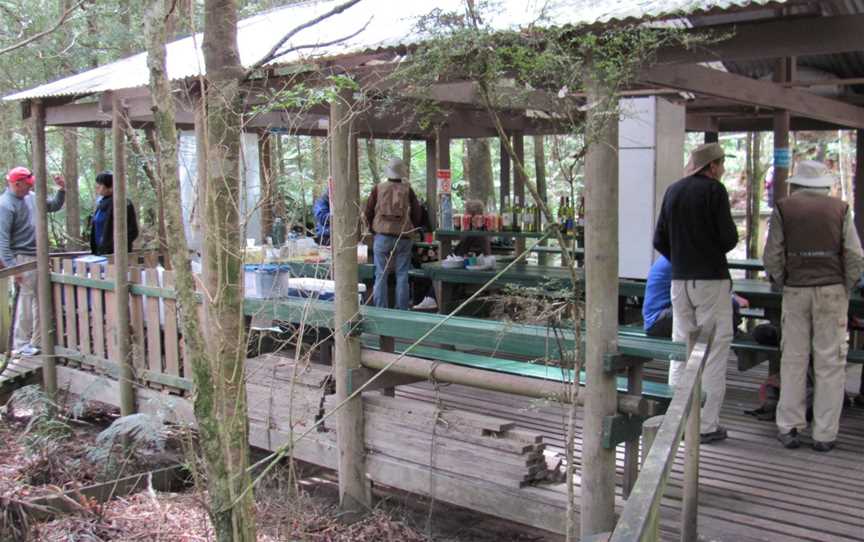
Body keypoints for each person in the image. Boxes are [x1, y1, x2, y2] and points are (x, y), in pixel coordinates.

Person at [763, 160, 864, 452]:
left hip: (796, 290)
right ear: (824, 184)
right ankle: (824, 434)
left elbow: (772, 254)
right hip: (832, 290)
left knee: (793, 359)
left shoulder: (783, 208)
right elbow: (855, 255)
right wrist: (845, 285)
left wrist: (784, 280)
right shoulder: (841, 209)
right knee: (830, 363)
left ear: (798, 184)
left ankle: (790, 426)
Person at [653, 142, 739, 444]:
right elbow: (729, 238)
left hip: (679, 281)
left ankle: (677, 417)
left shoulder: (673, 190)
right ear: (713, 166)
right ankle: (705, 425)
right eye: (723, 164)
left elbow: (659, 239)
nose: (723, 169)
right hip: (711, 281)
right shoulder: (715, 191)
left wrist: (682, 258)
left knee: (682, 348)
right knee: (714, 351)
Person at [0, 167, 65, 356]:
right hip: (22, 258)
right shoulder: (5, 205)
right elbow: (2, 241)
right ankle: (20, 344)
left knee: (40, 299)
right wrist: (14, 268)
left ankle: (37, 340)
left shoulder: (30, 197)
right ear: (15, 184)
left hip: (38, 255)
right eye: (26, 185)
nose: (29, 188)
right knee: (25, 300)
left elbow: (52, 206)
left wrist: (61, 190)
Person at [642, 254, 748, 339]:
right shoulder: (681, 258)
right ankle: (736, 337)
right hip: (657, 321)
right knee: (722, 308)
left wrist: (731, 296)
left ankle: (734, 336)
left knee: (724, 308)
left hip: (670, 313)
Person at [364, 158, 422, 310]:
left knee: (380, 275)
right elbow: (417, 212)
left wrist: (372, 229)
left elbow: (368, 211)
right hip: (403, 236)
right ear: (402, 172)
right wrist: (412, 228)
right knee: (402, 274)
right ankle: (401, 310)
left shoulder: (378, 188)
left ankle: (381, 309)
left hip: (382, 236)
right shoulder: (408, 190)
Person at [89, 171, 139, 256]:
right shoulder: (101, 203)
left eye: (100, 184)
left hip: (116, 255)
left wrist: (113, 247)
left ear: (111, 187)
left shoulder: (122, 203)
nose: (97, 186)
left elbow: (132, 231)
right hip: (100, 252)